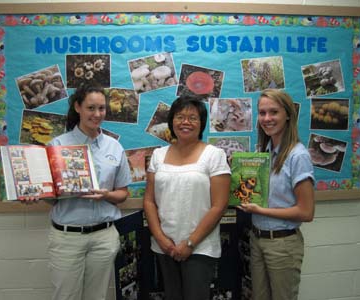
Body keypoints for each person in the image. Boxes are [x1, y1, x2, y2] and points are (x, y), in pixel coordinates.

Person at [23, 84, 132, 300]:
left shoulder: (114, 147)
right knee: (66, 296)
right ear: (78, 107)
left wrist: (106, 195)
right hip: (67, 237)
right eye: (91, 108)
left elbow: (123, 193)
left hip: (104, 237)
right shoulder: (57, 146)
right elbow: (52, 197)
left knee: (97, 297)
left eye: (101, 108)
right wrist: (34, 193)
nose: (97, 114)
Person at [143, 96, 231, 300]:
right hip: (164, 246)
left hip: (200, 247)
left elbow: (219, 205)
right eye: (180, 116)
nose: (185, 122)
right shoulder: (158, 155)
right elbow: (149, 201)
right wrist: (161, 239)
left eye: (192, 117)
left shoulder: (214, 155)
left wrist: (190, 243)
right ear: (171, 121)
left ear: (201, 123)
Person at [238, 89, 315, 300]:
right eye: (262, 113)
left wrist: (260, 210)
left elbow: (306, 212)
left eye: (274, 112)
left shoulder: (297, 156)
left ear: (288, 114)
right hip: (257, 239)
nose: (267, 118)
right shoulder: (267, 151)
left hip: (282, 245)